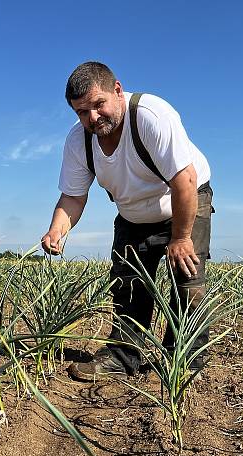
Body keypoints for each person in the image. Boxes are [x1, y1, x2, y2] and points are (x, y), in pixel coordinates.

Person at [41, 61, 213, 381]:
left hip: (184, 202)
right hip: (133, 214)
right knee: (128, 285)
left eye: (98, 105)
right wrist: (57, 229)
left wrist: (180, 237)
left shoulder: (151, 116)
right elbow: (73, 197)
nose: (92, 118)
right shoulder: (79, 141)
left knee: (186, 282)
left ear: (117, 91)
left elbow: (185, 181)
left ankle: (185, 360)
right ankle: (122, 355)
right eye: (81, 112)